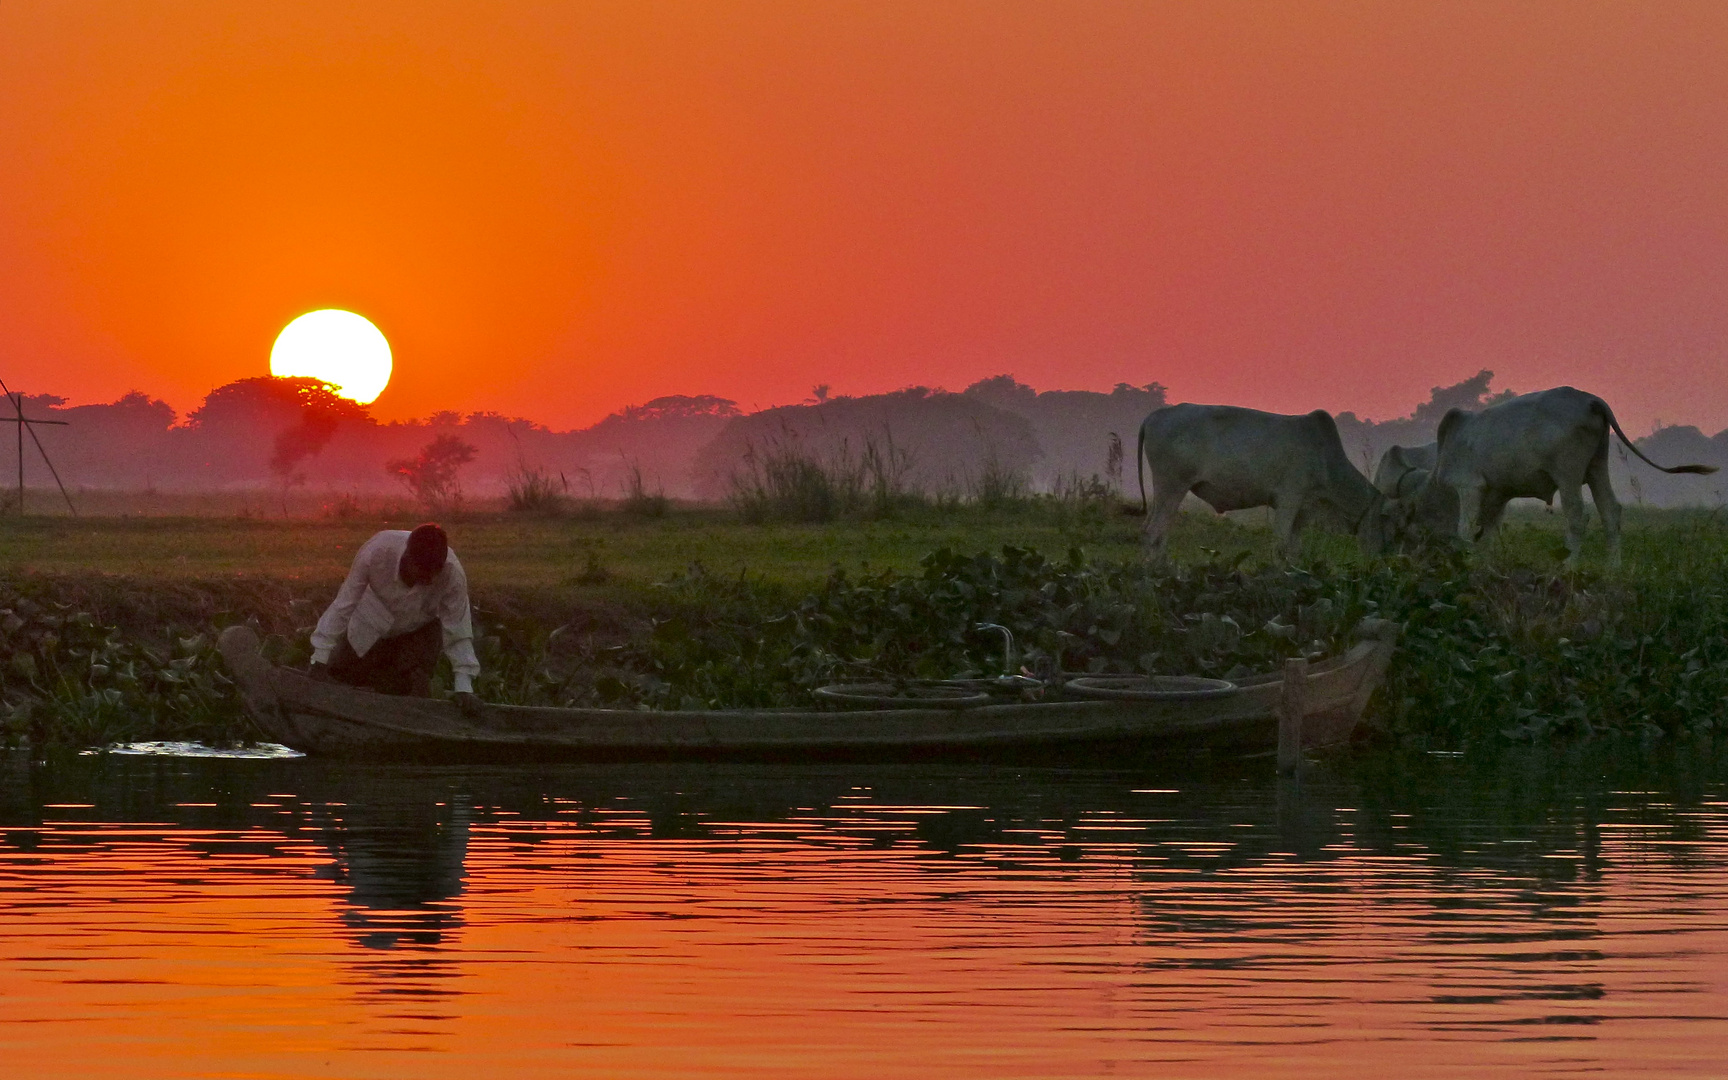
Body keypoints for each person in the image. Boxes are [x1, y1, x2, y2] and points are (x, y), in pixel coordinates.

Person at [309, 523, 484, 717]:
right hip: (369, 622)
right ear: (408, 559)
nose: (431, 580)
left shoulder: (452, 575)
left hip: (418, 632)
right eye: (424, 573)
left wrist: (464, 688)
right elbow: (344, 604)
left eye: (435, 573)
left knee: (411, 688)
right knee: (343, 676)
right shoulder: (376, 553)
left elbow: (458, 628)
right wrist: (319, 658)